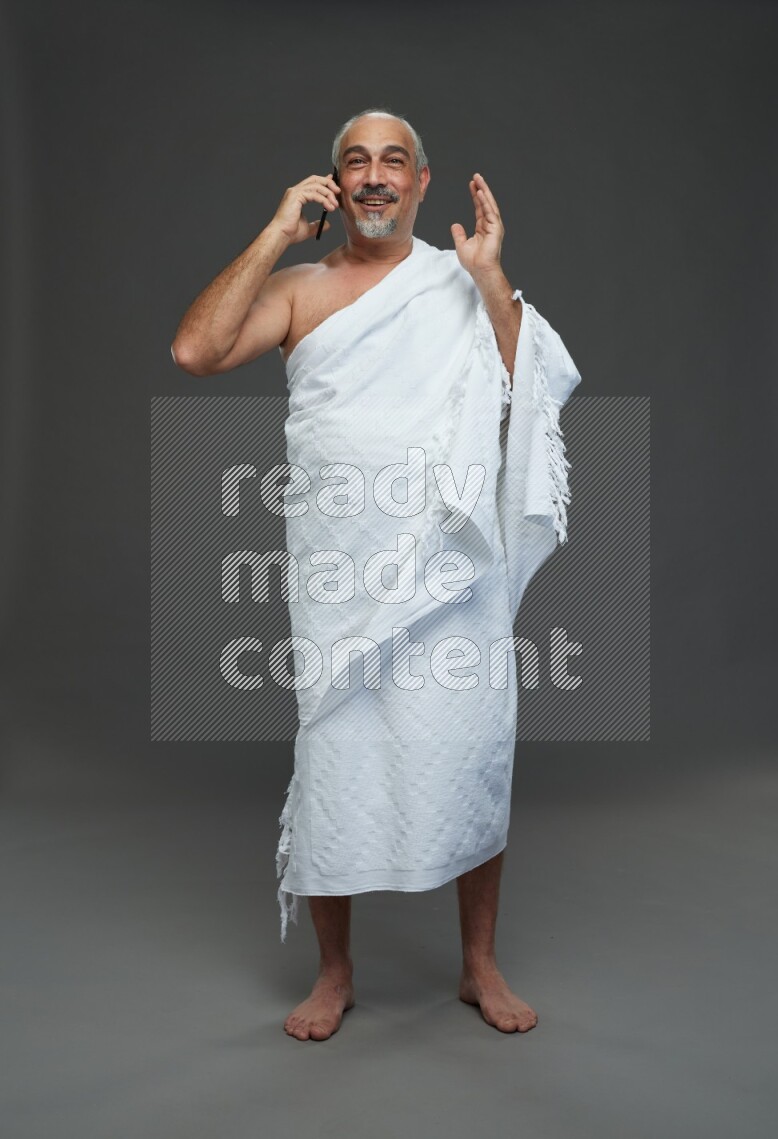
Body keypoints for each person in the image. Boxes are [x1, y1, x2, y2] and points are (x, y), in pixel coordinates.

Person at [171, 107, 581, 1041]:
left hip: (451, 566)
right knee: (338, 755)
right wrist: (276, 232)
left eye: (393, 161)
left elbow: (532, 385)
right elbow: (196, 351)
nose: (374, 176)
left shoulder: (460, 282)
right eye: (355, 162)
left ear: (420, 182)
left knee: (472, 747)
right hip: (341, 570)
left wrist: (491, 278)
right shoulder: (300, 289)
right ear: (334, 183)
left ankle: (479, 963)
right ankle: (335, 973)